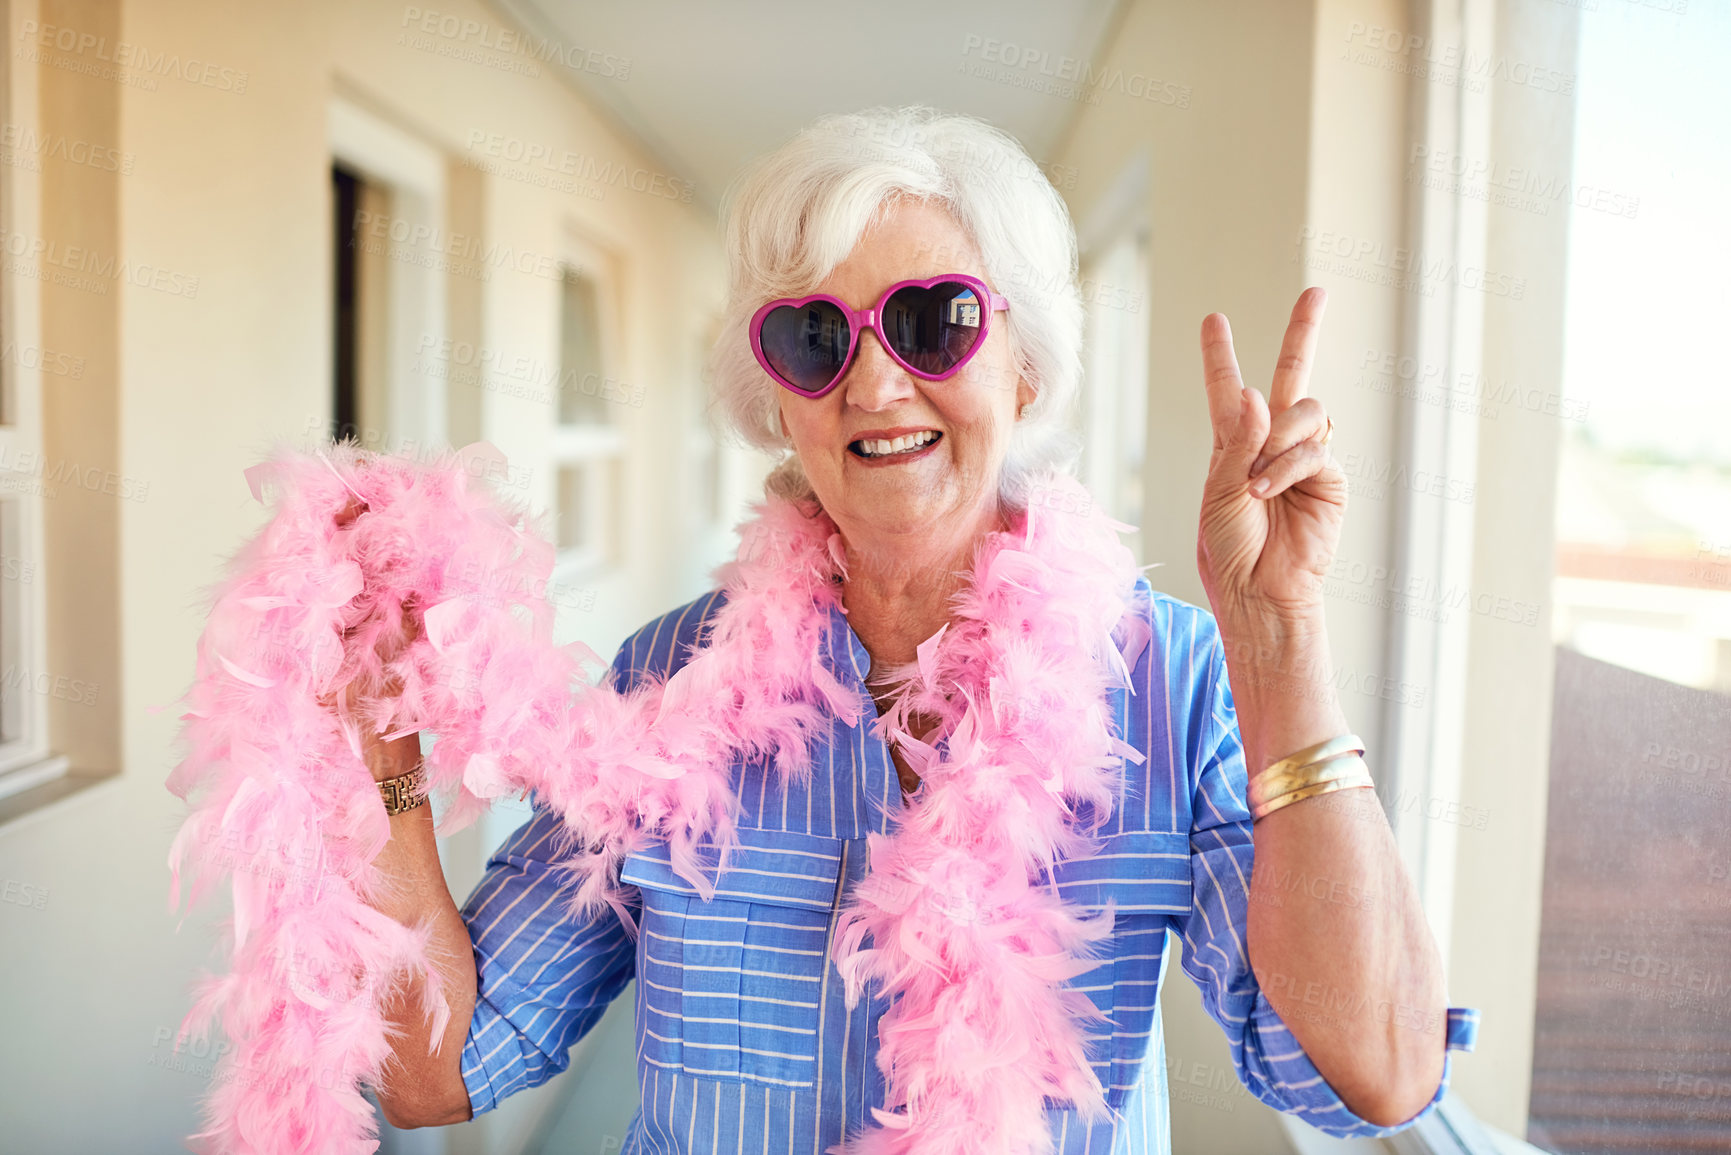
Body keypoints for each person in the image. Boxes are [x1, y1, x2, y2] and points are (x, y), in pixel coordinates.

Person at [357, 105, 1475, 1153]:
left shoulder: (1167, 677)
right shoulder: (669, 678)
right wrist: (384, 746)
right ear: (777, 399)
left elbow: (1367, 1072)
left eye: (933, 323)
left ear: (1025, 370)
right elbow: (435, 1069)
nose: (877, 383)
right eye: (812, 339)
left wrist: (1278, 634)